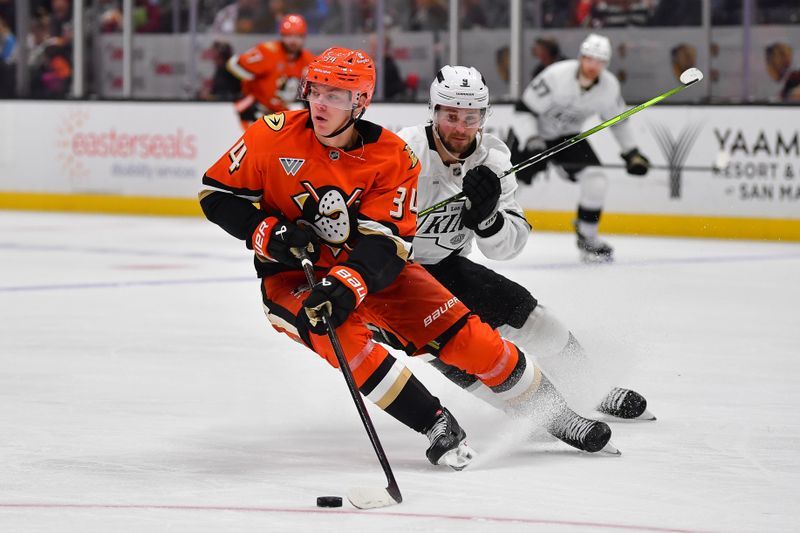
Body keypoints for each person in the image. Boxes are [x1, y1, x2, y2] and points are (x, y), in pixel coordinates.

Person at [200, 47, 614, 470]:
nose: (321, 104)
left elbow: (386, 243)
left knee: (472, 339)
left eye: (338, 95)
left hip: (380, 269)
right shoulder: (271, 134)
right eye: (316, 91)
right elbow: (216, 194)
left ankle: (563, 417)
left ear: (360, 103)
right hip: (293, 277)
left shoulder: (392, 155)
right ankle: (435, 423)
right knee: (334, 331)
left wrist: (486, 219)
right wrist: (267, 232)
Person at [385, 64, 652, 425]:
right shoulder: (402, 152)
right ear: (432, 113)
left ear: (484, 116)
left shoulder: (493, 158)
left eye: (471, 117)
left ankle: (590, 385)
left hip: (448, 265)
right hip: (394, 274)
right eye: (450, 116)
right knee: (457, 350)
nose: (460, 128)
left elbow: (505, 249)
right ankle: (536, 410)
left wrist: (488, 220)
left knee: (534, 318)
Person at [510, 33, 651, 263]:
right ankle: (488, 234)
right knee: (512, 187)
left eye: (600, 61)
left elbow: (619, 122)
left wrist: (631, 153)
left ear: (606, 64)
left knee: (596, 179)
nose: (593, 65)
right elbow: (524, 110)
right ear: (581, 57)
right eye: (589, 59)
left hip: (567, 138)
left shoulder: (609, 87)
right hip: (532, 134)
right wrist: (532, 138)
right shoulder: (556, 76)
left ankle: (588, 238)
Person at [226, 13, 315, 129]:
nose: (293, 41)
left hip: (280, 114)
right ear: (282, 35)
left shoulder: (309, 60)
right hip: (254, 109)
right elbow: (234, 64)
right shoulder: (267, 52)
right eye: (289, 36)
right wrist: (250, 78)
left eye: (298, 36)